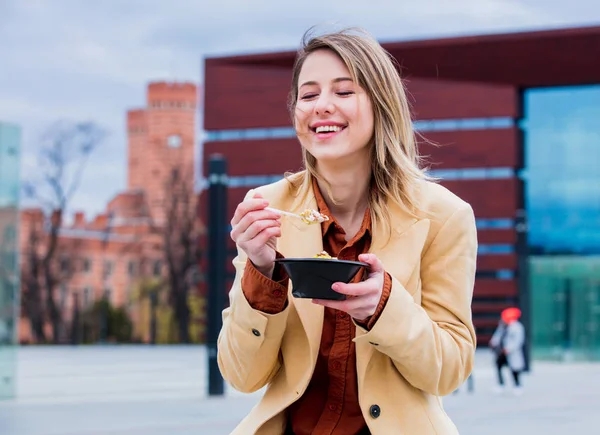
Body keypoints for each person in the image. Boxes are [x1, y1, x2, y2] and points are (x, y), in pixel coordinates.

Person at [218, 27, 478, 435]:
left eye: (344, 91)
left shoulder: (444, 215)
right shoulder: (268, 209)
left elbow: (449, 371)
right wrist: (260, 272)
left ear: (381, 104)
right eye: (308, 94)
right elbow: (241, 375)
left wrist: (386, 309)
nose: (322, 106)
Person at [489, 307, 526, 395]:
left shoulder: (517, 327)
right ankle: (500, 384)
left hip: (511, 352)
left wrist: (509, 349)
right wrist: (493, 342)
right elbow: (497, 335)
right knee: (498, 366)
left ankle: (517, 386)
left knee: (514, 370)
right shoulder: (502, 325)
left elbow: (518, 340)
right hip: (501, 351)